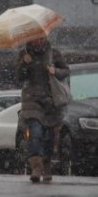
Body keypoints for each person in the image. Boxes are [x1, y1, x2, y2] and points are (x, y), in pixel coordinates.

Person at [15, 37, 69, 183]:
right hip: (32, 101)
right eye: (34, 39)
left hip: (51, 102)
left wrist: (55, 70)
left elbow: (65, 71)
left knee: (50, 138)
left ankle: (47, 164)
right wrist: (24, 64)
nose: (37, 41)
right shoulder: (24, 54)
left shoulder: (54, 53)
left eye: (40, 38)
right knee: (35, 133)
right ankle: (36, 167)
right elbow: (19, 77)